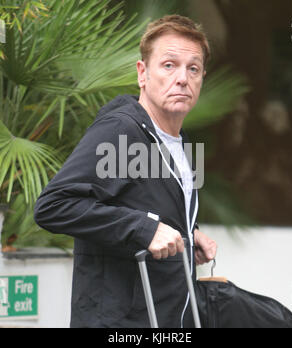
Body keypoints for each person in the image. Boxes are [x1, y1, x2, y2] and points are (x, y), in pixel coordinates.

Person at [34, 14, 217, 328]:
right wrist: (145, 230)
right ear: (142, 73)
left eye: (193, 68)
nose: (183, 78)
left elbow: (143, 202)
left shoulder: (179, 142)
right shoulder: (121, 131)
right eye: (169, 65)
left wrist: (188, 232)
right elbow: (53, 206)